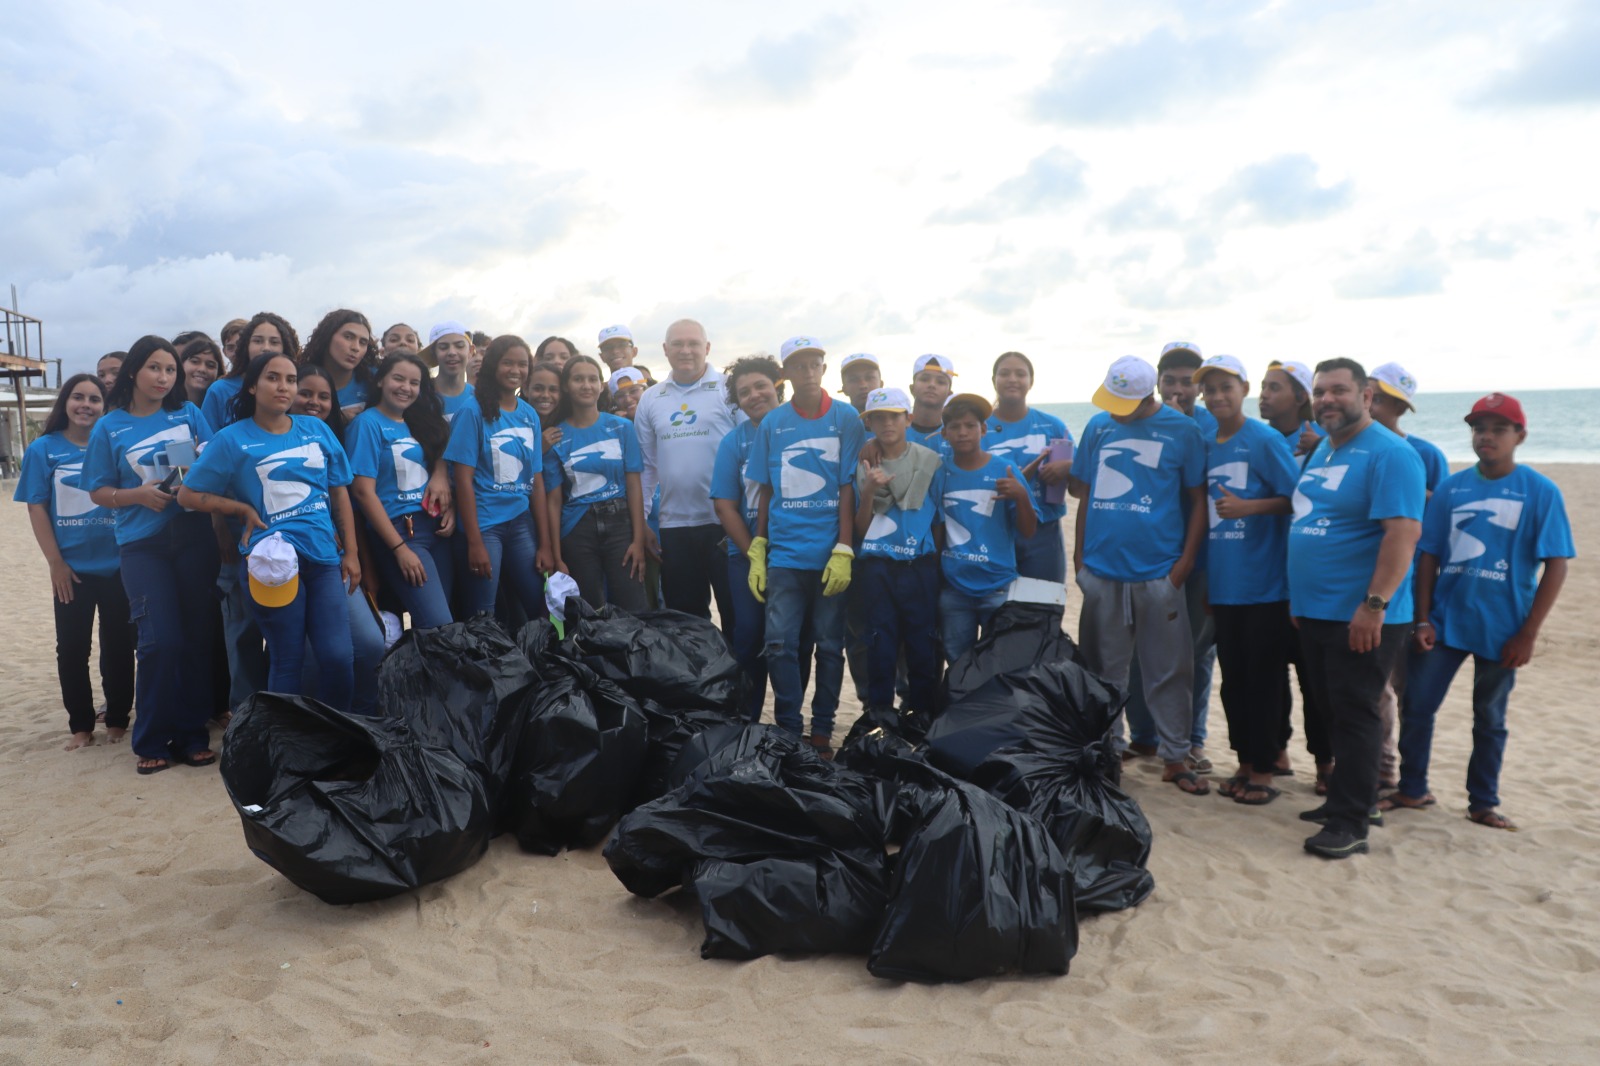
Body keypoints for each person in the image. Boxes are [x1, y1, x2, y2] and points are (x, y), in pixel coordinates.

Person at [1389, 394, 1573, 830]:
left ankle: (1483, 803)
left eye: (1498, 429)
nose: (1486, 436)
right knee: (1417, 706)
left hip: (1503, 628)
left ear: (1520, 436)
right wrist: (1422, 618)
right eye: (1478, 428)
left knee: (1489, 718)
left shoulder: (1540, 491)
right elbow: (1429, 556)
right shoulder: (1452, 488)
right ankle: (1412, 789)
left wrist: (1529, 632)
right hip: (1445, 623)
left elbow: (1557, 564)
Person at [1288, 358, 1425, 858]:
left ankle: (1352, 821)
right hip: (1317, 609)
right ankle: (1345, 799)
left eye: (1339, 390)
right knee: (1331, 709)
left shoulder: (1391, 453)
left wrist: (1374, 605)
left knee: (1356, 713)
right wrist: (1301, 599)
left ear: (1367, 396)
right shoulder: (1324, 448)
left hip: (1362, 614)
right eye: (1320, 391)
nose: (1327, 399)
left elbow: (1403, 533)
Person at [180, 353, 360, 714]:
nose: (284, 387)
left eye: (291, 380)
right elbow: (187, 494)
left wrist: (352, 553)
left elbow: (340, 491)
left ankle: (338, 732)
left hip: (323, 557)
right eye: (273, 378)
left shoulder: (316, 429)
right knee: (287, 658)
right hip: (271, 563)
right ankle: (284, 738)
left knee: (338, 656)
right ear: (252, 386)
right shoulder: (231, 439)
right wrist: (240, 509)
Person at [1070, 356, 1208, 796]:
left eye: (1124, 404)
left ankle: (1175, 755)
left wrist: (1184, 565)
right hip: (1101, 570)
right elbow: (1084, 493)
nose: (1115, 411)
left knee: (1169, 669)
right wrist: (1080, 560)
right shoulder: (1099, 426)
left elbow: (1198, 499)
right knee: (1103, 671)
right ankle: (1109, 751)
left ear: (1149, 396)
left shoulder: (1183, 430)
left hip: (1158, 571)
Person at [82, 336, 219, 775]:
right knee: (160, 641)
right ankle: (152, 738)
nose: (163, 378)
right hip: (142, 546)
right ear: (133, 372)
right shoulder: (110, 426)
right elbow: (98, 490)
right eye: (154, 368)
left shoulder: (189, 414)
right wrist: (137, 495)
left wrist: (196, 474)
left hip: (194, 535)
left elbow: (214, 459)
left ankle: (193, 735)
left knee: (195, 639)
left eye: (170, 370)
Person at [746, 336, 864, 754]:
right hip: (785, 554)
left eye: (815, 364)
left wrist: (844, 547)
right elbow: (766, 489)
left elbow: (848, 486)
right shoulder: (773, 423)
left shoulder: (847, 418)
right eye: (799, 365)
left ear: (824, 368)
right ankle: (789, 728)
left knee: (830, 647)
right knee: (779, 644)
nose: (808, 372)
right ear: (786, 374)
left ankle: (823, 730)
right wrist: (759, 545)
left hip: (830, 554)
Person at [1192, 356, 1300, 805]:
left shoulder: (1264, 439)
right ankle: (1244, 762)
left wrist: (1249, 508)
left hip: (1265, 584)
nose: (1218, 396)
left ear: (1244, 389)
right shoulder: (1206, 442)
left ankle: (1264, 771)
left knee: (1263, 680)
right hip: (1224, 584)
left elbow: (1298, 499)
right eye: (1211, 389)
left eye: (1226, 387)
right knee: (1233, 681)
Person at [14, 375, 134, 751]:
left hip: (118, 566)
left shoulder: (112, 443)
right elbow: (36, 507)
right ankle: (81, 726)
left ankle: (117, 720)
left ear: (104, 406)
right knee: (71, 649)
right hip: (71, 570)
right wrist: (55, 562)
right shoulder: (43, 448)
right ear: (65, 402)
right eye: (78, 397)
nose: (86, 405)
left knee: (119, 646)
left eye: (95, 399)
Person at [1365, 361, 1449, 791]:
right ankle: (1379, 769)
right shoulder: (1349, 447)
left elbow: (1442, 518)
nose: (1371, 404)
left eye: (1380, 399)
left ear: (1400, 408)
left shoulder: (1425, 453)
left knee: (1406, 688)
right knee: (1372, 688)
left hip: (1410, 590)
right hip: (1365, 586)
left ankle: (1408, 779)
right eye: (1368, 394)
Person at [710, 356, 804, 720]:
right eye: (744, 392)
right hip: (747, 556)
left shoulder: (802, 429)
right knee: (748, 636)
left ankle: (789, 724)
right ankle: (747, 719)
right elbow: (725, 505)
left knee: (794, 640)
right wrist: (754, 554)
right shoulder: (734, 442)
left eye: (760, 386)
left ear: (778, 385)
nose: (754, 395)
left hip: (797, 553)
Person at [635, 318, 739, 622]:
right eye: (677, 344)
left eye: (693, 343)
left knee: (737, 614)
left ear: (707, 348)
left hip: (726, 522)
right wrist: (643, 523)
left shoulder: (730, 389)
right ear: (665, 349)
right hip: (674, 526)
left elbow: (749, 452)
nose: (686, 350)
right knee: (686, 621)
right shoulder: (651, 398)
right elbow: (646, 467)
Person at [446, 335, 557, 619]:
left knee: (540, 606)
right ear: (493, 365)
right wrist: (474, 542)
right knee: (483, 613)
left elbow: (536, 480)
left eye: (522, 364)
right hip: (485, 526)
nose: (516, 370)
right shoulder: (472, 411)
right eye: (508, 363)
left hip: (519, 522)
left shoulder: (529, 414)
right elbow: (462, 480)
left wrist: (544, 544)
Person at [346, 352, 457, 630]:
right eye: (398, 379)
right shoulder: (367, 424)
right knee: (439, 627)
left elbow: (440, 460)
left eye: (414, 383)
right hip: (403, 533)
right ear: (381, 381)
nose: (406, 388)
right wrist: (399, 548)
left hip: (437, 530)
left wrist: (450, 508)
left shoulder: (417, 422)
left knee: (441, 625)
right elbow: (362, 492)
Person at [854, 387, 943, 715]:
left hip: (919, 566)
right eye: (878, 417)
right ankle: (880, 716)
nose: (887, 423)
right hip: (878, 567)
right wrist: (868, 492)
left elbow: (938, 519)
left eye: (894, 416)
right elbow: (862, 530)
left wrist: (936, 565)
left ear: (908, 418)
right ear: (870, 423)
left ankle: (921, 716)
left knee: (922, 645)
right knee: (880, 644)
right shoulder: (864, 463)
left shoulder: (930, 461)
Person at [543, 355, 648, 610]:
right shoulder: (556, 435)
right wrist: (556, 555)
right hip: (577, 529)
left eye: (592, 379)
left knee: (634, 608)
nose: (586, 385)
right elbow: (554, 501)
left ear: (601, 386)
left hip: (620, 524)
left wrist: (638, 540)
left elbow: (634, 486)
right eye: (578, 379)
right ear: (566, 386)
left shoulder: (622, 428)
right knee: (588, 612)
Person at [985, 351, 1071, 582]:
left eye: (1020, 374)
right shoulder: (979, 428)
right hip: (994, 529)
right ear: (993, 380)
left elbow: (1081, 476)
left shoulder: (1052, 425)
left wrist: (1068, 466)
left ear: (1031, 381)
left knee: (1043, 601)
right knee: (996, 602)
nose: (1012, 379)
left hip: (1044, 532)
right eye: (1004, 373)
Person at [203, 311, 300, 431]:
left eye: (274, 342)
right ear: (246, 346)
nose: (266, 348)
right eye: (257, 341)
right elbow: (206, 439)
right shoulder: (219, 390)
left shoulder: (294, 388)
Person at [300, 309, 376, 417]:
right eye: (348, 337)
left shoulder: (374, 378)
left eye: (363, 342)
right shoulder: (299, 378)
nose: (356, 347)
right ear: (327, 336)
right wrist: (338, 420)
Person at [422, 321, 477, 422]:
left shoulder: (478, 398)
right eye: (443, 347)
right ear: (433, 353)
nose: (452, 352)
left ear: (470, 351)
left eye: (459, 346)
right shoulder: (420, 394)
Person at [907, 353, 956, 451]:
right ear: (912, 389)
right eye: (924, 379)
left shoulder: (955, 437)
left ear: (949, 394)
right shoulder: (893, 431)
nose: (932, 385)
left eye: (940, 382)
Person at [179, 337, 223, 408]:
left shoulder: (225, 407)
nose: (202, 369)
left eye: (210, 365)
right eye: (195, 361)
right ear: (181, 365)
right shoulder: (163, 404)